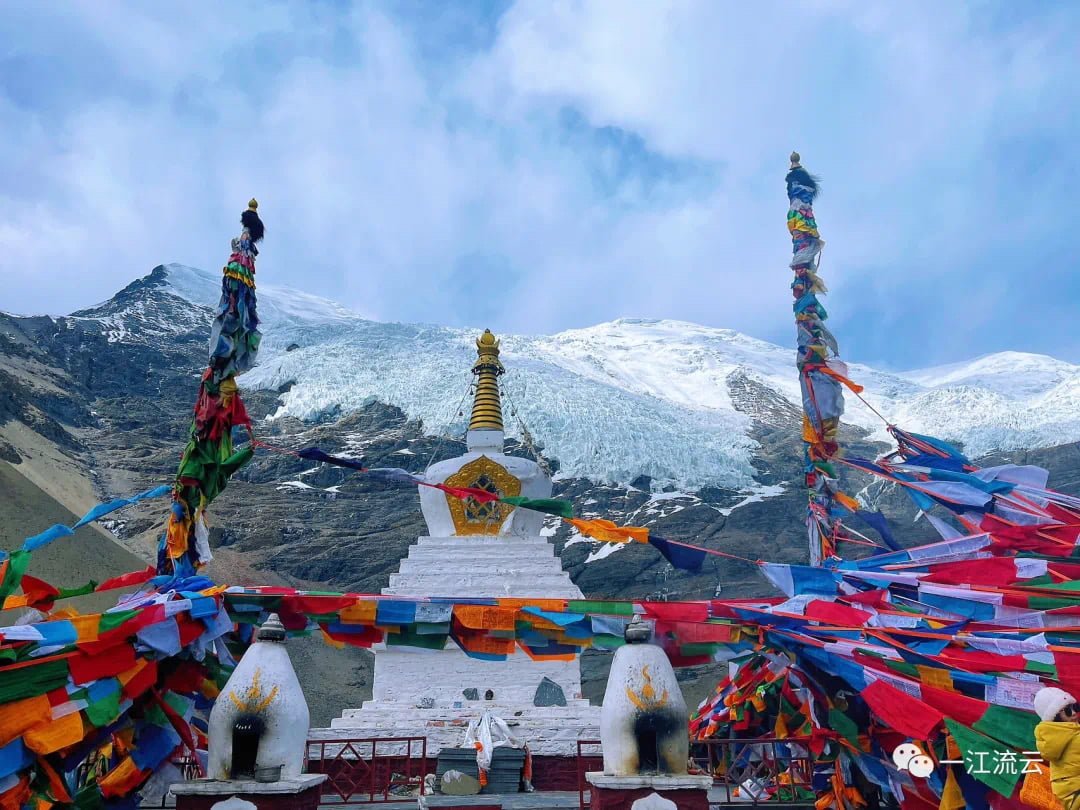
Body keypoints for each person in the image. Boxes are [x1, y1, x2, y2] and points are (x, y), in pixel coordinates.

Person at [1034, 686, 1080, 808]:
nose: (1074, 713)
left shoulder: (1056, 737)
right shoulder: (1074, 736)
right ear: (1055, 716)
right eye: (1068, 710)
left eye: (1075, 707)